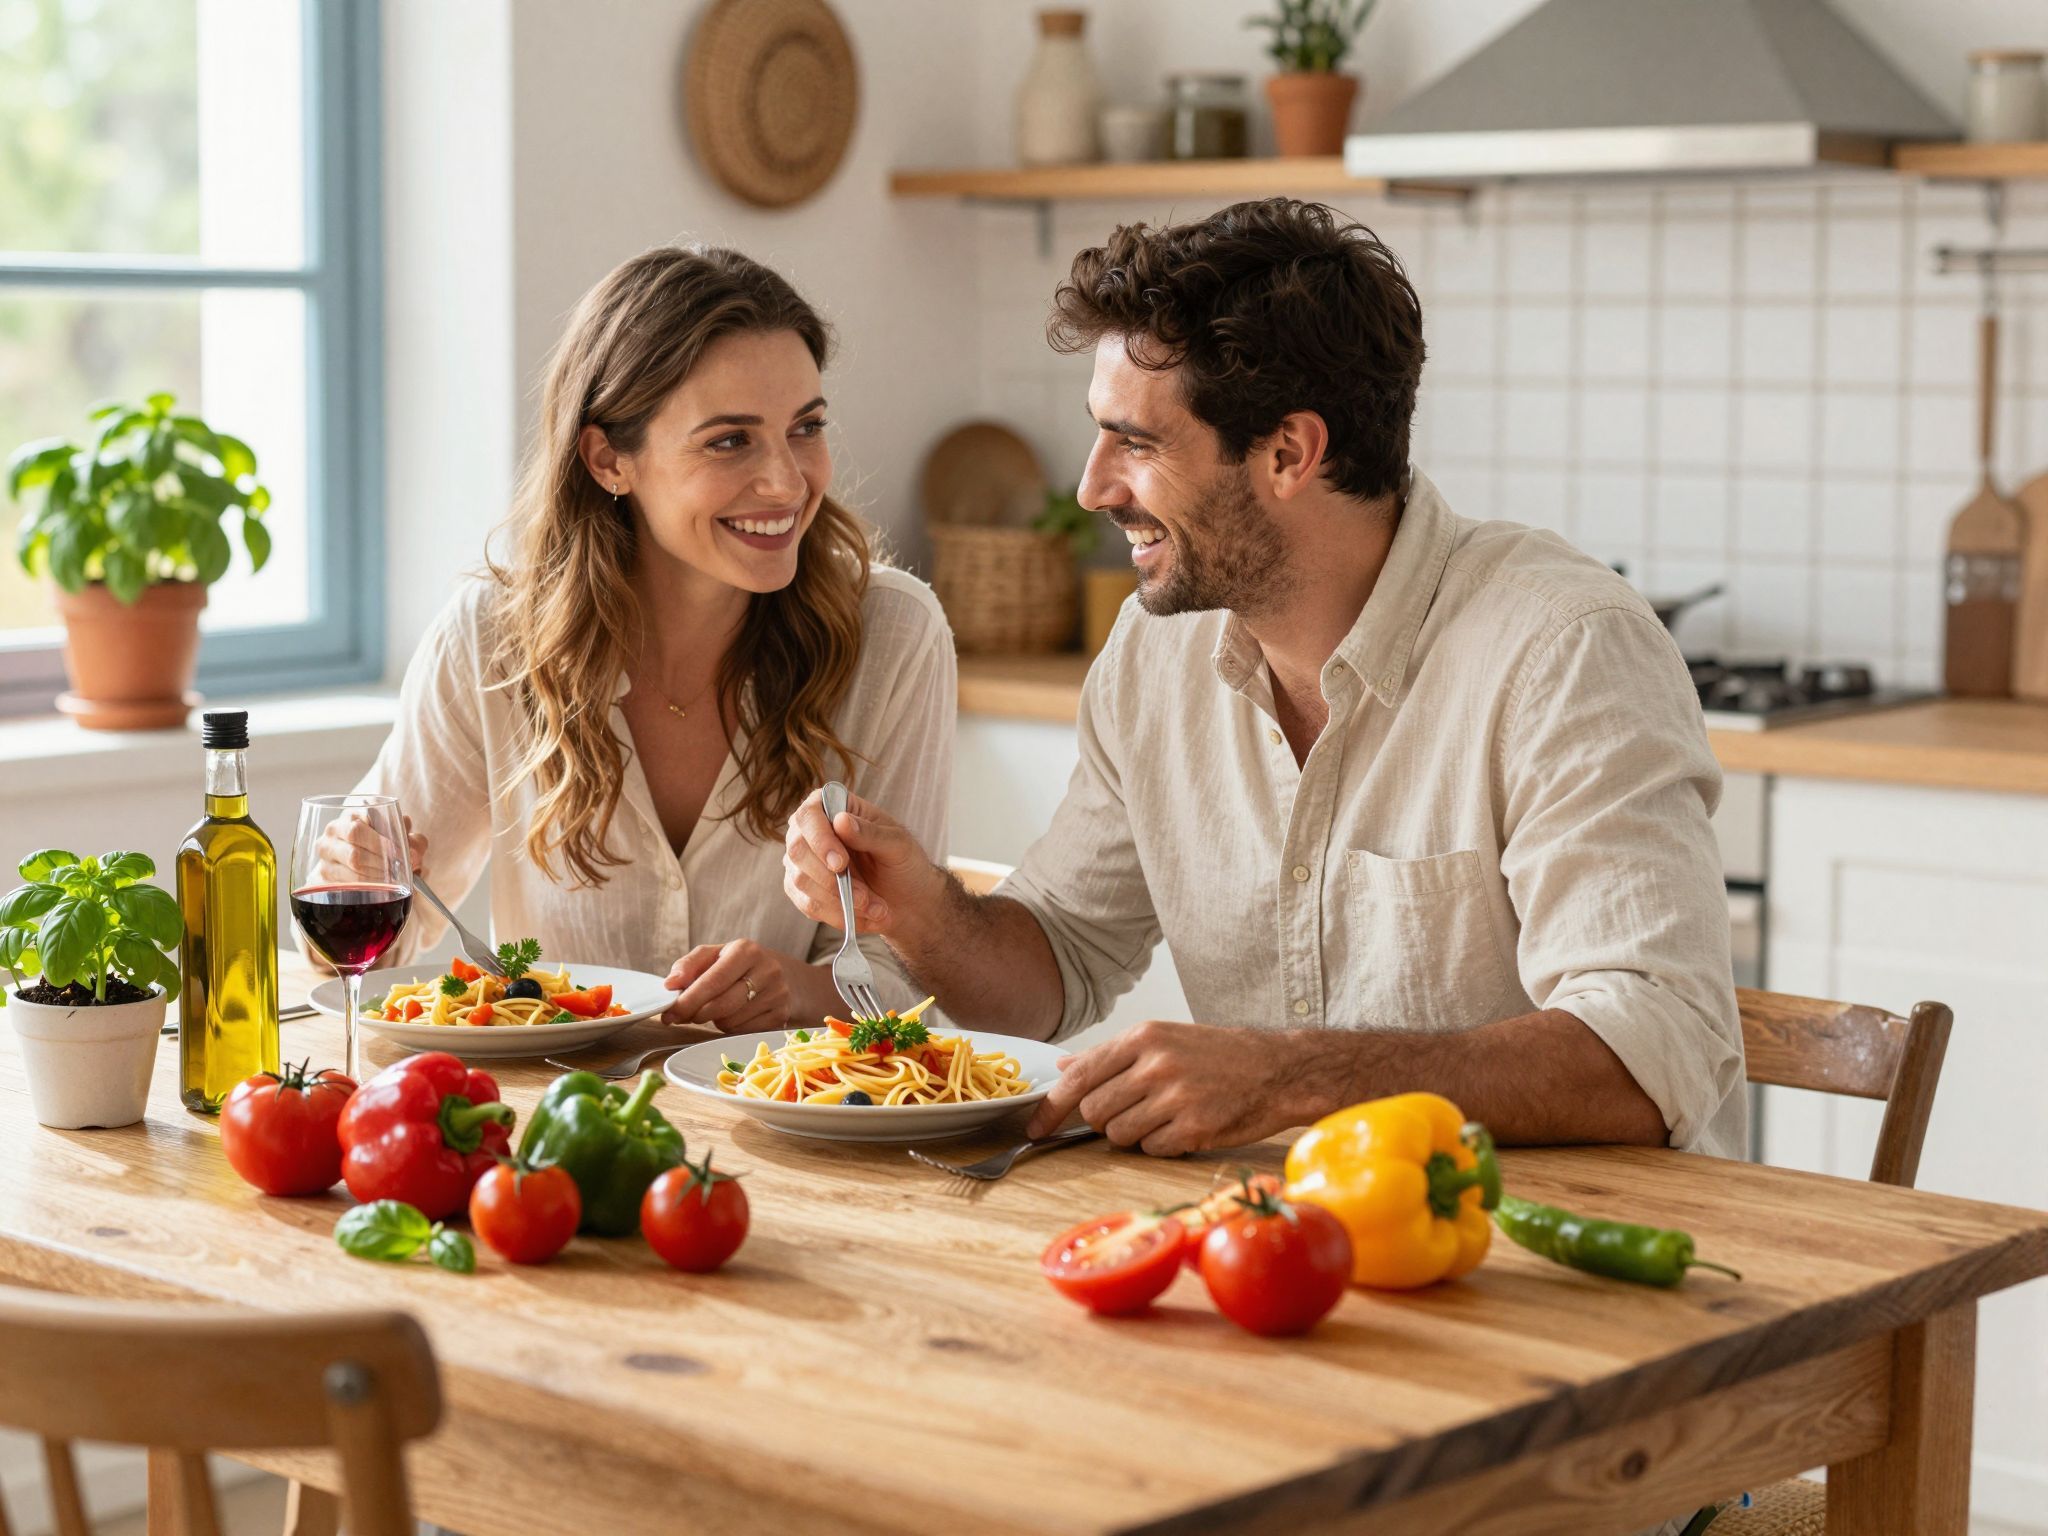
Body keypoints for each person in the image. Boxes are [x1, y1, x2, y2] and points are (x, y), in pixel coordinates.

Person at [784, 198, 1743, 1157]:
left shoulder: (1562, 648)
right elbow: (1058, 960)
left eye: (1139, 443)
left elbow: (1652, 1049)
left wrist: (1289, 1078)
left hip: (1568, 1263)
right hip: (1292, 1250)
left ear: (1290, 453)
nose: (1092, 488)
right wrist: (921, 916)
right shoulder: (1154, 656)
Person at [331, 245, 954, 1031]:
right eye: (731, 440)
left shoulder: (893, 637)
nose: (788, 481)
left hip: (792, 1132)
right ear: (607, 459)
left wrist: (799, 991)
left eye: (806, 428)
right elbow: (377, 943)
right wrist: (355, 880)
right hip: (551, 1131)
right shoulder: (489, 639)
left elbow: (913, 981)